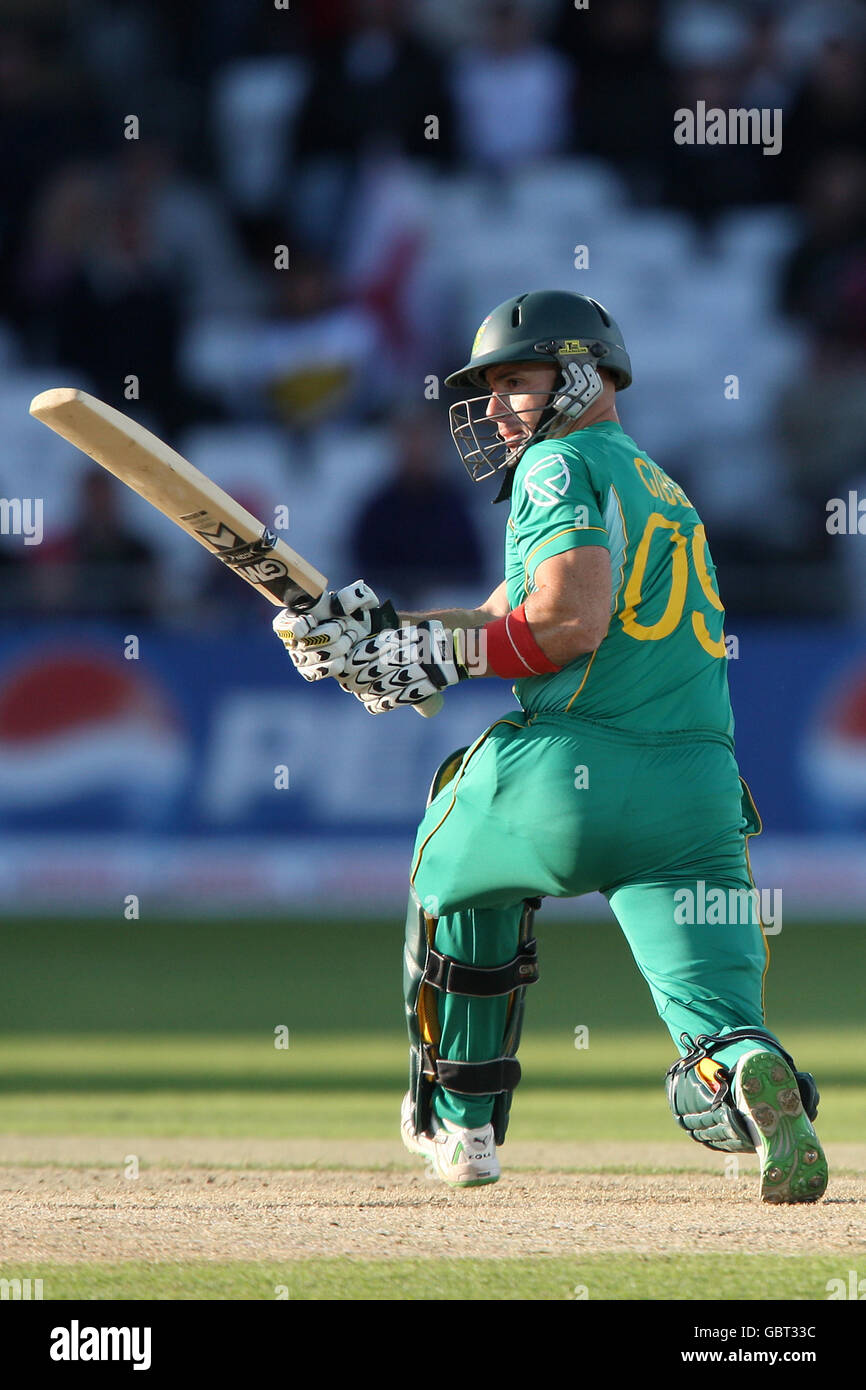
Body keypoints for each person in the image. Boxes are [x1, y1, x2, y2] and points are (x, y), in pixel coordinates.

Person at [273, 290, 828, 1203]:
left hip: (577, 770)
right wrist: (378, 641)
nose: (494, 407)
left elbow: (566, 624)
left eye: (515, 382)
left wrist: (427, 654)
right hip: (698, 797)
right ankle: (752, 1080)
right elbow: (501, 616)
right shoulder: (659, 484)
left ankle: (463, 1124)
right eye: (489, 388)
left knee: (455, 863)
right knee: (718, 1033)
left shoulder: (557, 468)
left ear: (581, 376)